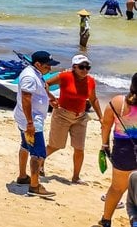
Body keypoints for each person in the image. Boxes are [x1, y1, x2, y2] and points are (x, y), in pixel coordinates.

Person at [44, 54, 103, 182]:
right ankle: (39, 162)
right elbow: (45, 84)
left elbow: (93, 99)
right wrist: (50, 98)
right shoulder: (65, 76)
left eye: (88, 67)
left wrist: (101, 117)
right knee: (55, 145)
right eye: (82, 67)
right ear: (74, 67)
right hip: (62, 115)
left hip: (80, 117)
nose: (85, 70)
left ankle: (76, 177)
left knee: (79, 148)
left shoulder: (91, 81)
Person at [13, 50, 59, 197]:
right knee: (38, 153)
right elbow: (26, 98)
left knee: (25, 146)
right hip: (31, 120)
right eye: (47, 66)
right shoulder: (29, 77)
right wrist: (30, 123)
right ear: (38, 64)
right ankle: (34, 186)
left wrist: (50, 97)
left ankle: (22, 176)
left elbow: (42, 87)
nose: (50, 69)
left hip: (28, 119)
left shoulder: (36, 73)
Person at [97, 72, 137, 227]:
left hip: (124, 151)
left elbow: (105, 125)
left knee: (117, 188)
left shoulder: (117, 102)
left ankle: (106, 220)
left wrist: (105, 145)